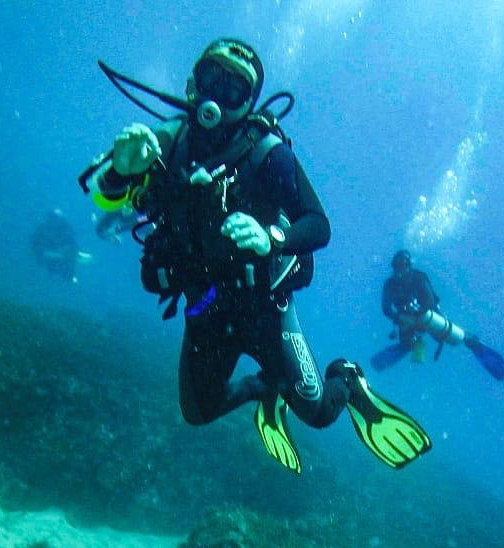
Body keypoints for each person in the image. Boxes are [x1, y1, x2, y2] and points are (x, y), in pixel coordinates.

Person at [81, 38, 430, 473]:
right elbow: (106, 199)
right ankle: (266, 388)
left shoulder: (267, 153)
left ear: (248, 104)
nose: (217, 95)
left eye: (234, 89)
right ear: (192, 83)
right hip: (206, 309)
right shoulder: (166, 142)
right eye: (211, 78)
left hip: (265, 309)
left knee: (319, 414)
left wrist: (273, 238)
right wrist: (120, 171)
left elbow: (318, 225)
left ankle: (347, 379)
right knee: (197, 411)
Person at [373, 249, 504, 380]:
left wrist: (416, 316)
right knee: (406, 345)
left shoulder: (418, 278)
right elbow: (386, 309)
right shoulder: (389, 284)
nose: (400, 270)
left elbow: (430, 303)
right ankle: (378, 364)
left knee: (461, 337)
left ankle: (495, 363)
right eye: (397, 266)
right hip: (406, 321)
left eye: (404, 265)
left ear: (409, 266)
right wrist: (399, 318)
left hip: (429, 317)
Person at [30, 209, 91, 283]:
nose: (58, 222)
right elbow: (36, 246)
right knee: (52, 271)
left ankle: (68, 277)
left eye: (59, 219)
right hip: (49, 257)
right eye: (55, 219)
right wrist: (53, 254)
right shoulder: (42, 228)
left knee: (67, 270)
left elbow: (72, 241)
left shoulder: (65, 227)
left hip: (64, 257)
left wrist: (72, 252)